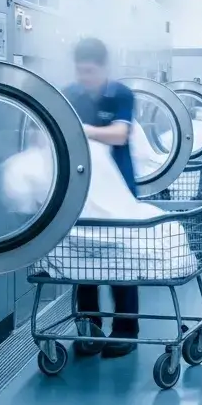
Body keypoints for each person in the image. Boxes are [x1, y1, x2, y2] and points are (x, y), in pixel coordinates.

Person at [62, 37, 141, 359]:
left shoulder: (121, 94)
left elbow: (121, 134)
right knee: (84, 262)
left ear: (104, 69)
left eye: (91, 71)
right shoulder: (70, 93)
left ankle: (125, 331)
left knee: (122, 260)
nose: (85, 78)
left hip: (119, 188)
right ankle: (90, 330)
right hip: (83, 188)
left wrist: (83, 130)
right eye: (81, 72)